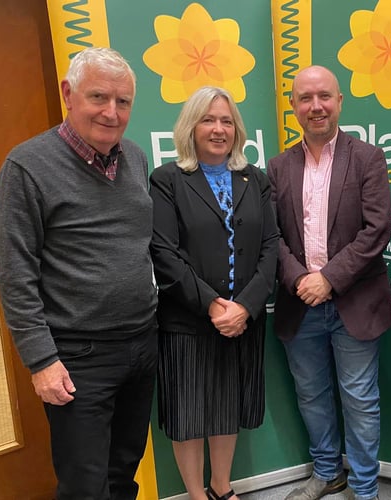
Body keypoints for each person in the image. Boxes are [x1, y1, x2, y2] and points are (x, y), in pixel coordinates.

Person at [0, 47, 158, 499]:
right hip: (77, 357)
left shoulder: (135, 157)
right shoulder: (27, 166)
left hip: (141, 344)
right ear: (69, 94)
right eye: (99, 97)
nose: (111, 112)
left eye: (123, 102)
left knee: (123, 472)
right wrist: (41, 361)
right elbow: (14, 274)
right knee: (85, 485)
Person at [267, 65, 391, 500]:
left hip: (354, 303)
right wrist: (301, 278)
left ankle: (363, 487)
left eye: (324, 96)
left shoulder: (367, 158)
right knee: (312, 395)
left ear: (340, 101)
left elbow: (376, 230)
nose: (315, 106)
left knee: (360, 399)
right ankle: (326, 471)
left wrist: (328, 279)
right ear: (293, 107)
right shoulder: (278, 166)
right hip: (298, 302)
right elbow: (272, 236)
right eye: (305, 98)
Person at [149, 86, 278, 500]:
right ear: (191, 127)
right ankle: (196, 494)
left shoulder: (254, 179)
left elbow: (271, 245)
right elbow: (164, 253)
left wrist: (245, 306)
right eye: (208, 119)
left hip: (241, 320)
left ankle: (222, 487)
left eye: (226, 121)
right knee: (189, 416)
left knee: (226, 410)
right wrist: (212, 304)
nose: (218, 129)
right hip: (188, 319)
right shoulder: (168, 179)